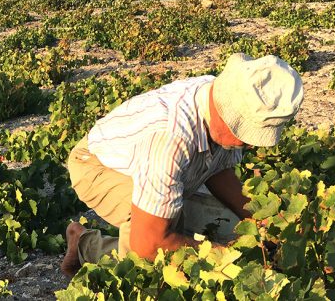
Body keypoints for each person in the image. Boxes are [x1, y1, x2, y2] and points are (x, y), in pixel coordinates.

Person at [61, 53, 304, 277]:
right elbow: (149, 244)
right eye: (248, 133)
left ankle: (86, 241)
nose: (251, 144)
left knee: (223, 227)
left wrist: (261, 222)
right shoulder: (169, 139)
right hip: (96, 164)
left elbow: (218, 170)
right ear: (227, 113)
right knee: (152, 255)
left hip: (156, 164)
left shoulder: (223, 93)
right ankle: (88, 246)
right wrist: (223, 257)